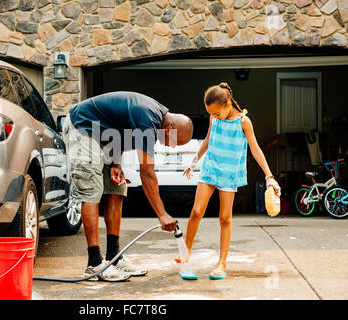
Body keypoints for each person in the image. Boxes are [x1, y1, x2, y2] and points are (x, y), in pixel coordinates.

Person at [62, 91, 193, 282]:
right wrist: (162, 214)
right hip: (83, 127)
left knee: (118, 189)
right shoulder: (148, 119)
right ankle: (94, 263)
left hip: (105, 137)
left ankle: (114, 258)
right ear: (169, 128)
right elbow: (147, 173)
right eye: (175, 142)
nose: (172, 147)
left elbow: (119, 128)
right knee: (91, 189)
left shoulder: (155, 116)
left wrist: (116, 163)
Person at [180, 83, 281, 280]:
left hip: (229, 174)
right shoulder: (214, 117)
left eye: (217, 113)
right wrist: (193, 162)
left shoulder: (244, 122)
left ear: (228, 104)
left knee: (225, 218)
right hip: (210, 169)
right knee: (196, 212)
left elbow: (255, 149)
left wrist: (269, 176)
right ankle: (186, 258)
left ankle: (221, 263)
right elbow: (208, 140)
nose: (215, 117)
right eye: (212, 114)